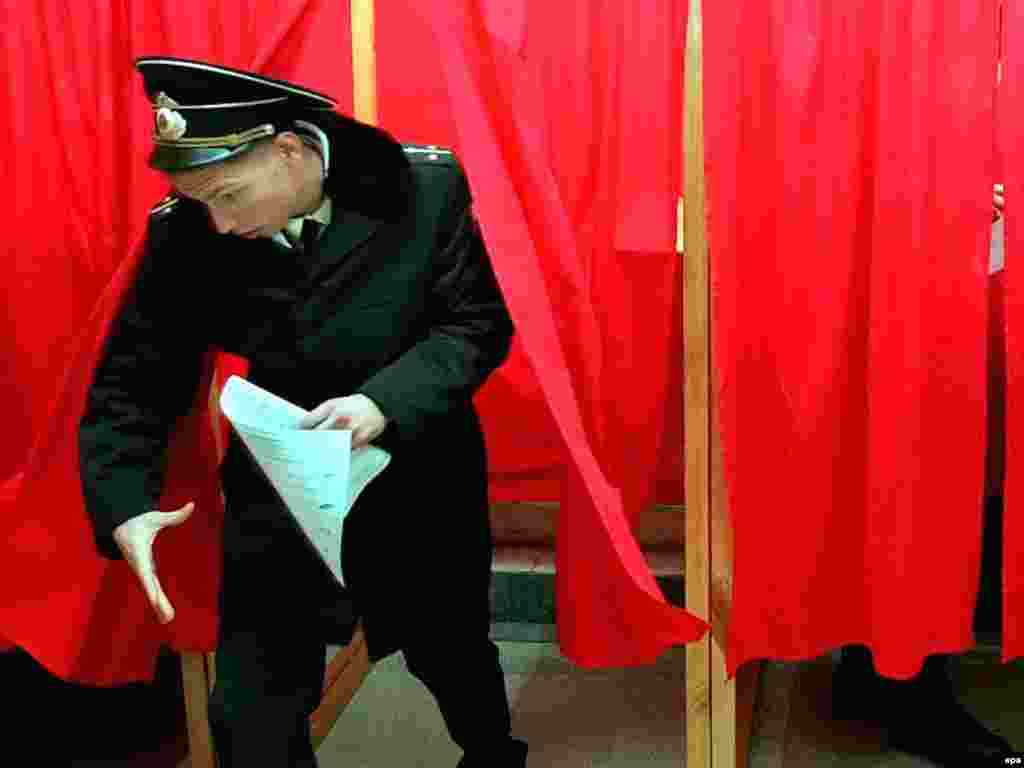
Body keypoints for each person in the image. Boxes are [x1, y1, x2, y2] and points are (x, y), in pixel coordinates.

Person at [77, 57, 527, 768]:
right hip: (278, 485)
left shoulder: (424, 188)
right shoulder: (186, 234)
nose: (218, 224)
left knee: (453, 653)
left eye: (227, 194)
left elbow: (475, 326)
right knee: (249, 711)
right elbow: (134, 381)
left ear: (288, 151)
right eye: (200, 202)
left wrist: (383, 403)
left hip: (415, 472)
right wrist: (124, 501)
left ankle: (495, 752)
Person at [830, 182, 1014, 766]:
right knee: (918, 470)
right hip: (920, 259)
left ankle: (875, 666)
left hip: (970, 263)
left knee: (946, 468)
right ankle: (908, 684)